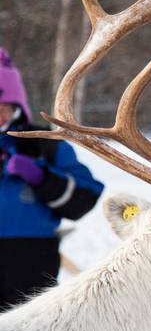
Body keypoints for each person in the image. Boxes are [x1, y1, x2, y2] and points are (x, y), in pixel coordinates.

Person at [0, 48, 104, 311]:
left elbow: (84, 198)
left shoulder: (44, 143)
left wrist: (41, 177)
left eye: (4, 107)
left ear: (17, 106)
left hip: (32, 259)